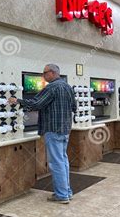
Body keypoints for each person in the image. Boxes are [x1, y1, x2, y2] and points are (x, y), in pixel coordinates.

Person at [8, 64, 76, 204]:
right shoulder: (67, 87)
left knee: (56, 162)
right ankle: (67, 191)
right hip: (65, 130)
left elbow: (36, 103)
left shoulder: (51, 87)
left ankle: (62, 195)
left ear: (52, 73)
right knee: (63, 160)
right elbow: (74, 107)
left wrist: (18, 101)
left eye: (44, 73)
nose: (43, 76)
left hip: (53, 129)